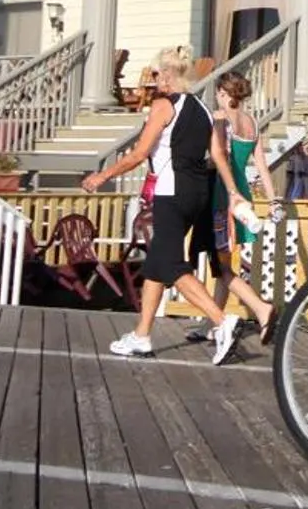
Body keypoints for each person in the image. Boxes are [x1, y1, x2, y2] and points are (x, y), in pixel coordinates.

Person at [80, 46, 255, 364]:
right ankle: (142, 336)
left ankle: (222, 321)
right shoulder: (203, 109)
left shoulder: (163, 105)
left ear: (168, 75)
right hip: (197, 193)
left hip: (171, 193)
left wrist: (101, 176)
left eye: (156, 73)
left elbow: (139, 153)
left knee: (172, 265)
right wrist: (233, 192)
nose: (154, 78)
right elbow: (218, 155)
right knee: (158, 263)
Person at [188, 71, 276, 352]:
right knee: (223, 262)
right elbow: (262, 167)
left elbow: (217, 157)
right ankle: (213, 324)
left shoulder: (220, 119)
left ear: (224, 93)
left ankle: (260, 308)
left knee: (222, 266)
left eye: (219, 92)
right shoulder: (252, 123)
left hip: (221, 196)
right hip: (242, 198)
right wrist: (273, 200)